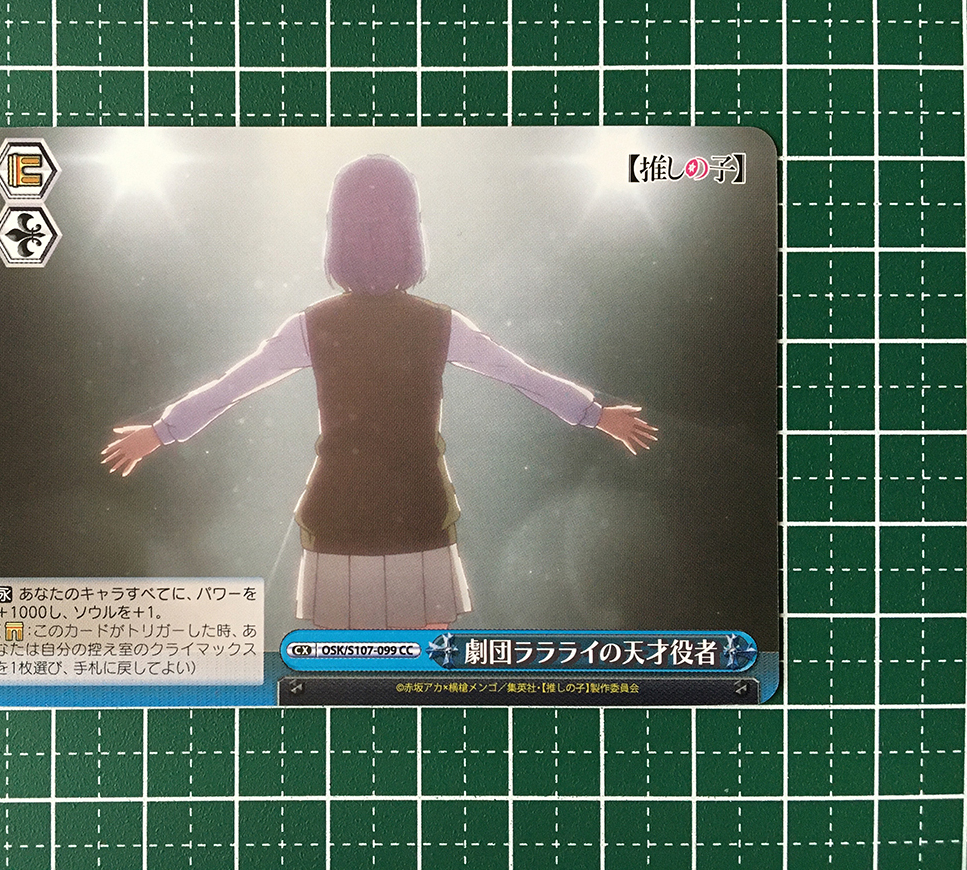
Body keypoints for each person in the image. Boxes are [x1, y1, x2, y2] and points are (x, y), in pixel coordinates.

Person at [102, 154, 657, 629]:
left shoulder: (318, 325)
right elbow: (520, 374)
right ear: (412, 232)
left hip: (353, 514)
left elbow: (231, 387)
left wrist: (162, 432)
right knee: (414, 675)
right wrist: (594, 414)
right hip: (409, 513)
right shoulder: (436, 324)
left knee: (353, 674)